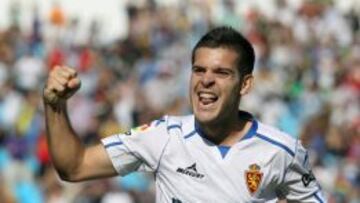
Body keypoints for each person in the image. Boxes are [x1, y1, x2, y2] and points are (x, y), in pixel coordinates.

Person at [43, 26, 325, 202]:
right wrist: (55, 105)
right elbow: (75, 166)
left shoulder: (282, 151)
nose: (206, 81)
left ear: (246, 84)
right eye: (199, 70)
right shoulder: (164, 136)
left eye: (222, 73)